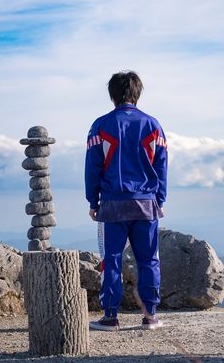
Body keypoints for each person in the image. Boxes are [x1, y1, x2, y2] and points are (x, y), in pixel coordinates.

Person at [85, 70, 168, 331]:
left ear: (112, 95)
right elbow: (162, 166)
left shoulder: (100, 125)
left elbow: (93, 166)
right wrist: (160, 199)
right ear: (137, 93)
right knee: (148, 260)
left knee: (111, 260)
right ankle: (150, 316)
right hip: (146, 202)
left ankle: (110, 317)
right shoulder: (153, 125)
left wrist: (92, 201)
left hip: (112, 204)